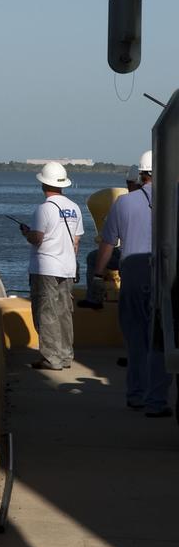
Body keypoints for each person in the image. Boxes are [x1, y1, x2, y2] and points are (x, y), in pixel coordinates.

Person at [92, 150, 171, 417]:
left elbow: (107, 244)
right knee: (161, 340)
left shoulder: (124, 204)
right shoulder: (174, 200)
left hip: (133, 277)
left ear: (141, 174)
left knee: (136, 341)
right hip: (166, 277)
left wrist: (97, 275)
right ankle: (156, 401)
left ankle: (136, 394)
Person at [20, 161, 83, 371]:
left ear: (43, 185)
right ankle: (65, 355)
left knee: (45, 312)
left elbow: (37, 238)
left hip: (45, 267)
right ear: (62, 184)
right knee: (64, 311)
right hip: (67, 267)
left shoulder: (43, 209)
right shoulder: (74, 208)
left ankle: (51, 358)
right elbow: (76, 242)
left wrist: (26, 233)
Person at [78, 165, 138, 310]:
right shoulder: (159, 201)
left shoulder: (123, 203)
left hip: (127, 258)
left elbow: (109, 240)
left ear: (131, 183)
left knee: (93, 258)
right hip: (150, 258)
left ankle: (94, 298)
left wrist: (98, 275)